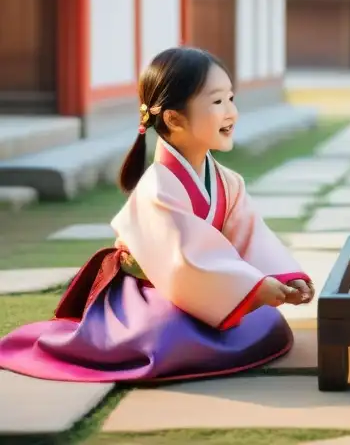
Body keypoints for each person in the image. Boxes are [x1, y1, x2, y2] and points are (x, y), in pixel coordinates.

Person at [0, 47, 314, 383]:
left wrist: (280, 275)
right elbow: (185, 259)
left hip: (203, 287)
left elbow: (250, 234)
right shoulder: (157, 186)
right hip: (151, 289)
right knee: (166, 337)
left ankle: (231, 303)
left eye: (231, 98)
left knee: (266, 323)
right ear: (174, 119)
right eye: (217, 101)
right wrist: (252, 287)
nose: (231, 112)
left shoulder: (227, 181)